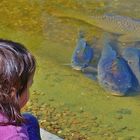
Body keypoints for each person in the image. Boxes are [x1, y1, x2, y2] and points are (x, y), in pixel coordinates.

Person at [0, 39, 41, 140]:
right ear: (12, 93)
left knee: (30, 120)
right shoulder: (15, 136)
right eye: (29, 86)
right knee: (30, 120)